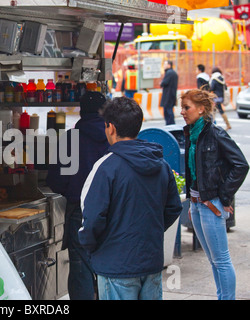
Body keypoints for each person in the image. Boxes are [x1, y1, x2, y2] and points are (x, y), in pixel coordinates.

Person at [79, 96, 182, 300]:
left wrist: (94, 248)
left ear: (111, 128)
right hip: (150, 262)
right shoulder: (161, 164)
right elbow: (173, 208)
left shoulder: (106, 167)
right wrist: (147, 233)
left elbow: (91, 221)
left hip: (115, 265)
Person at [180, 89, 248, 300]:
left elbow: (241, 165)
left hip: (212, 205)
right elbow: (193, 172)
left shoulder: (216, 134)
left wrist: (224, 197)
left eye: (186, 107)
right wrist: (192, 202)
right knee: (213, 260)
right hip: (197, 204)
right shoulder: (191, 133)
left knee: (221, 260)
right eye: (182, 107)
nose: (182, 112)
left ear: (201, 109)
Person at [46, 91, 110, 300]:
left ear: (82, 112)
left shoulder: (70, 138)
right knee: (108, 267)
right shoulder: (114, 137)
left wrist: (73, 189)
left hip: (80, 212)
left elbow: (56, 181)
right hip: (111, 211)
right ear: (104, 112)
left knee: (81, 268)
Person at [160, 60, 178, 125]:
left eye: (165, 64)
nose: (164, 66)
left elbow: (164, 82)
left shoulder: (169, 73)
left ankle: (170, 125)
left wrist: (161, 83)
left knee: (168, 111)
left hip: (168, 95)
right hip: (172, 94)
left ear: (169, 65)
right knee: (169, 110)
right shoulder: (173, 73)